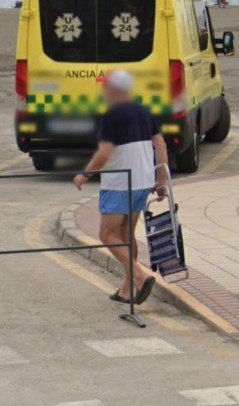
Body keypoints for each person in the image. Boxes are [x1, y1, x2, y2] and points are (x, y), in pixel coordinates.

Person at [73, 70, 169, 305]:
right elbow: (160, 144)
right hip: (143, 182)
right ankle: (127, 289)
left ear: (114, 90)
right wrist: (161, 179)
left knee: (107, 235)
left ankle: (139, 276)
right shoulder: (144, 111)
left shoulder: (112, 116)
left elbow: (105, 152)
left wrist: (85, 175)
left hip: (119, 183)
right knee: (126, 235)